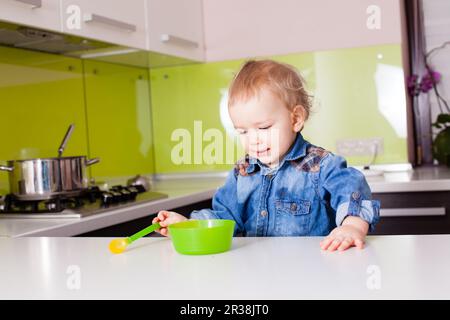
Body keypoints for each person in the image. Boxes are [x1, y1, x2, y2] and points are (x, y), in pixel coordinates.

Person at [153, 59, 380, 252]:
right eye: (242, 131)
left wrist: (351, 227)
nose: (253, 139)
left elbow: (352, 193)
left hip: (311, 273)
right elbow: (224, 216)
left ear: (295, 119)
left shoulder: (320, 165)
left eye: (262, 128)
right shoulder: (243, 172)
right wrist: (188, 225)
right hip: (256, 275)